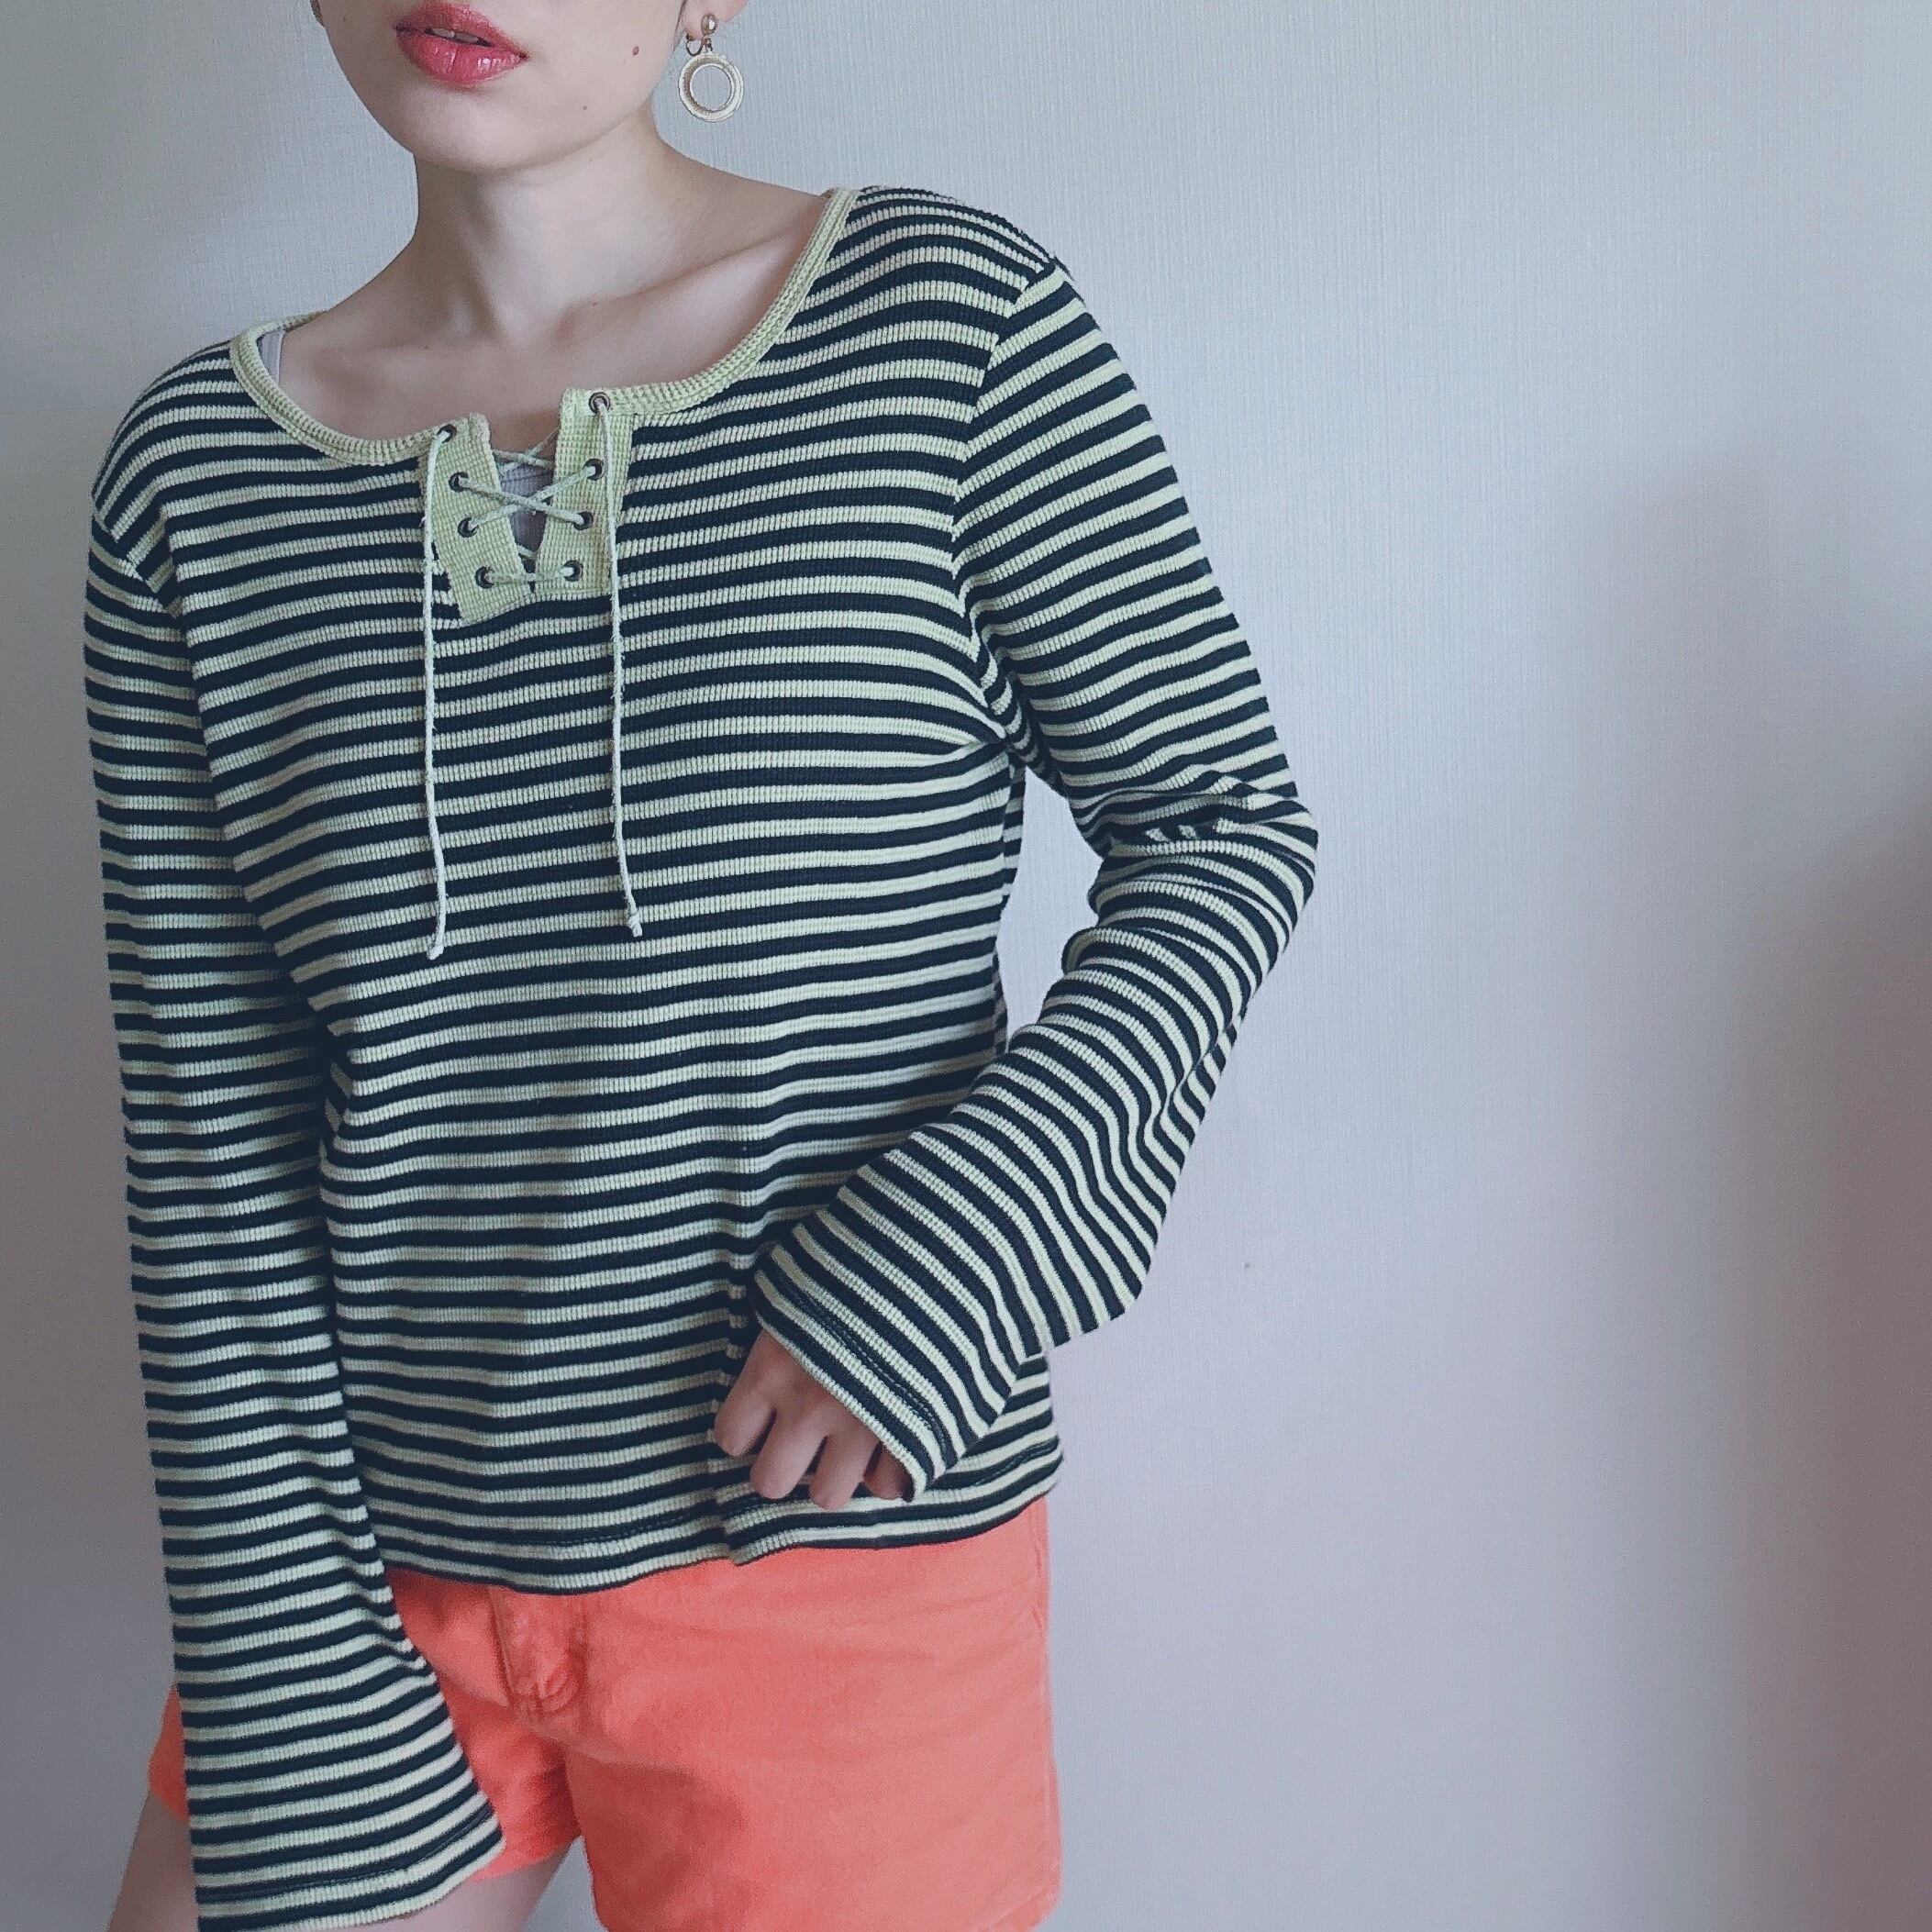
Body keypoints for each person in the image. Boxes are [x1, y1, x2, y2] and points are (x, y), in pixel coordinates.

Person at [86, 5, 1318, 1929]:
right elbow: (208, 1127)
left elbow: (1220, 828)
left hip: (833, 1557)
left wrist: (958, 1248)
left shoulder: (943, 327)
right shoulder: (194, 475)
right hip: (365, 1580)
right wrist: (279, 1633)